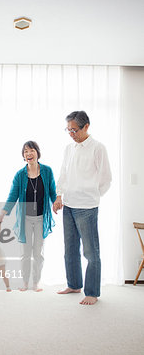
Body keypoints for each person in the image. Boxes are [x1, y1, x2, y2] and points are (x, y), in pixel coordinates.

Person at [53, 110, 112, 305]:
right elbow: (63, 173)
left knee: (90, 251)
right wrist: (59, 195)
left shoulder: (98, 148)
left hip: (87, 207)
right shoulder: (69, 148)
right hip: (68, 204)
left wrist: (92, 195)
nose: (71, 133)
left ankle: (92, 292)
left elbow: (105, 179)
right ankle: (74, 284)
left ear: (86, 127)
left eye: (74, 130)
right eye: (68, 130)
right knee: (70, 249)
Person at [0, 141, 56, 291]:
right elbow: (13, 196)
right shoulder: (20, 175)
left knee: (38, 253)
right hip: (26, 219)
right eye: (25, 152)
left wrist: (57, 202)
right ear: (23, 156)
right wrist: (3, 213)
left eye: (31, 150)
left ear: (37, 152)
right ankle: (25, 282)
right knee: (25, 253)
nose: (28, 154)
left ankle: (36, 282)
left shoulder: (47, 171)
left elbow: (53, 192)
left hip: (42, 217)